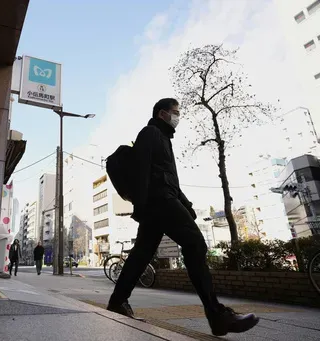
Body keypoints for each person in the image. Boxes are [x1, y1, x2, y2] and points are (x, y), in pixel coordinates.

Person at [107, 98, 259, 337]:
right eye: (175, 112)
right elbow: (141, 170)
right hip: (159, 202)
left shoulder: (164, 139)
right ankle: (217, 315)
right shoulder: (150, 133)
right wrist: (140, 206)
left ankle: (117, 301)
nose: (178, 117)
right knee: (195, 245)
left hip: (161, 202)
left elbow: (172, 181)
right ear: (162, 114)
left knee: (141, 254)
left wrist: (187, 207)